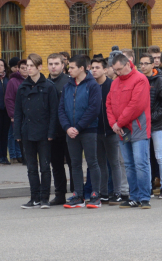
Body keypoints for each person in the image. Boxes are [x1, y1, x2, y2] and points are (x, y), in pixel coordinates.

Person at [107, 53, 152, 209]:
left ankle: (145, 197)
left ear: (128, 64)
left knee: (140, 163)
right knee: (129, 164)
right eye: (115, 70)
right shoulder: (115, 83)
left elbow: (136, 106)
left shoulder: (140, 79)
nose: (117, 73)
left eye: (119, 69)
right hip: (122, 129)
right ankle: (134, 197)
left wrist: (118, 123)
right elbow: (109, 104)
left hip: (138, 128)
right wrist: (114, 123)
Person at [58, 55, 103, 209]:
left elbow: (94, 109)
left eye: (71, 67)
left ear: (82, 68)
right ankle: (78, 194)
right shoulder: (67, 86)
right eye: (68, 67)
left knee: (92, 162)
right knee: (75, 163)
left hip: (88, 130)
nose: (68, 70)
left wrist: (78, 127)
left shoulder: (93, 85)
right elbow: (61, 109)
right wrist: (67, 127)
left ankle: (96, 195)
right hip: (70, 132)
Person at [14, 54, 58, 209]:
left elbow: (54, 112)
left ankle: (45, 198)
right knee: (31, 168)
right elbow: (18, 112)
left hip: (45, 132)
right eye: (27, 66)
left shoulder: (48, 86)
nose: (29, 69)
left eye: (32, 66)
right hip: (27, 132)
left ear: (40, 67)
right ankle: (34, 198)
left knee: (45, 167)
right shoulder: (22, 87)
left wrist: (51, 132)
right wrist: (17, 133)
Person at [90, 55, 127, 205]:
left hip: (112, 130)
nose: (94, 70)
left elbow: (117, 107)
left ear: (105, 69)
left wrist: (116, 124)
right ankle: (103, 193)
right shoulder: (91, 86)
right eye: (92, 68)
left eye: (97, 68)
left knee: (114, 162)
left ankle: (117, 192)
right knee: (100, 163)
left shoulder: (113, 85)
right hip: (96, 131)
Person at [139, 53, 162, 197]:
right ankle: (148, 187)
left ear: (153, 65)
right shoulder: (139, 79)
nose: (143, 66)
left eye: (146, 63)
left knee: (159, 156)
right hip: (142, 125)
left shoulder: (160, 81)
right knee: (145, 157)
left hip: (156, 125)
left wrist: (152, 117)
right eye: (141, 63)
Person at [47, 53, 71, 205]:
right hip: (51, 132)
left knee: (72, 163)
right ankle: (60, 194)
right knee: (56, 164)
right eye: (50, 64)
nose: (53, 67)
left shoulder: (69, 82)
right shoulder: (44, 83)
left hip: (68, 130)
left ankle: (77, 193)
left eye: (56, 63)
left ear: (63, 65)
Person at [5, 59, 28, 165]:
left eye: (27, 67)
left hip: (30, 114)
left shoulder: (32, 80)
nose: (25, 70)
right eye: (22, 68)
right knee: (16, 135)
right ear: (18, 69)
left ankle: (23, 156)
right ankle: (15, 156)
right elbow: (9, 99)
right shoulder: (13, 82)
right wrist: (12, 114)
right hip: (18, 114)